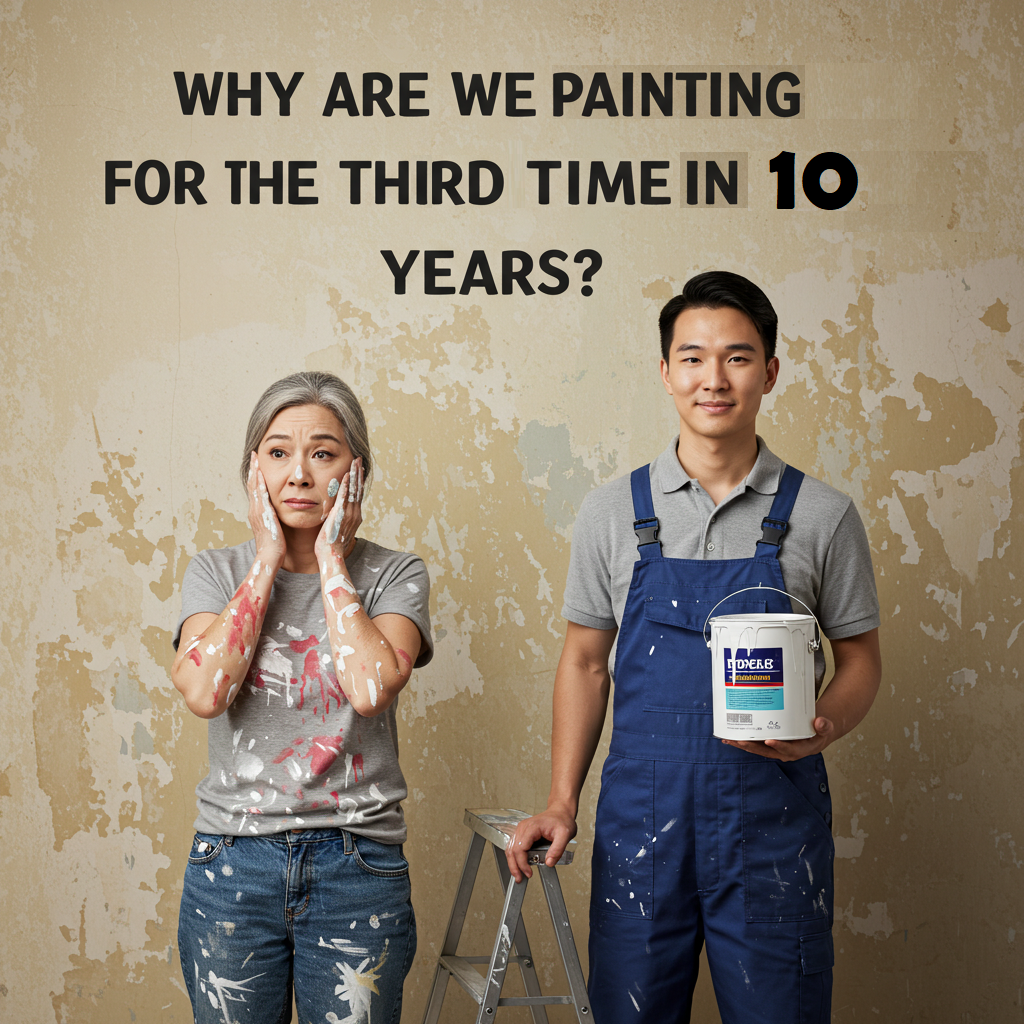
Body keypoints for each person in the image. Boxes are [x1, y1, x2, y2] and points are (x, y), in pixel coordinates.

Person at [506, 272, 881, 1023]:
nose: (714, 379)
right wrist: (560, 800)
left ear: (769, 372)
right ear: (666, 372)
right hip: (643, 827)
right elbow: (584, 662)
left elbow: (861, 662)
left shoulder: (823, 516)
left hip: (775, 825)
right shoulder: (614, 513)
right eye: (693, 358)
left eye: (738, 358)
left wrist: (824, 729)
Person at [171, 371, 432, 1024]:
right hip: (233, 864)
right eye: (278, 452)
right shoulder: (215, 573)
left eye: (323, 453)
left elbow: (370, 688)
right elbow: (204, 690)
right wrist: (264, 560)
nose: (299, 474)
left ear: (356, 471)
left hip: (356, 865)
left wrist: (331, 564)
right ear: (252, 468)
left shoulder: (395, 574)